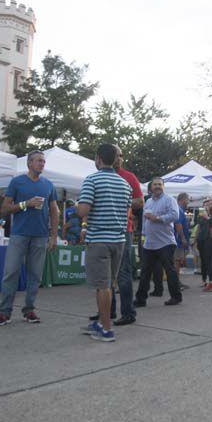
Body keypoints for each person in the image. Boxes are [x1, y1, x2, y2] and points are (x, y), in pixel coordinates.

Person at [0, 150, 59, 327]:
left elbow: (54, 210)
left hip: (40, 235)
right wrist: (25, 204)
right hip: (19, 234)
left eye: (43, 161)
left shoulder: (48, 185)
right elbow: (4, 209)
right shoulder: (17, 182)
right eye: (38, 161)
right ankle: (4, 312)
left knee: (35, 275)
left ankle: (29, 309)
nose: (42, 164)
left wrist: (53, 236)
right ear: (29, 163)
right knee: (11, 272)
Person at [76, 144, 131, 342]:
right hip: (118, 240)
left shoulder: (92, 179)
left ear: (98, 159)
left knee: (103, 286)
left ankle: (106, 329)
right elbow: (126, 214)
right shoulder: (124, 184)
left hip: (99, 239)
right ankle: (100, 323)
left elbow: (83, 211)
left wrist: (78, 205)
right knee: (107, 285)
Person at [88, 145, 145, 327]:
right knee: (105, 277)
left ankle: (128, 312)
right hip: (105, 232)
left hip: (123, 231)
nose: (119, 158)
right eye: (116, 155)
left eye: (121, 155)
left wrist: (121, 203)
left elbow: (140, 201)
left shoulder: (129, 177)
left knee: (123, 273)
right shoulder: (99, 177)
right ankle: (107, 312)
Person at [134, 177, 183, 307]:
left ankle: (176, 297)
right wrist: (144, 236)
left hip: (165, 242)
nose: (157, 186)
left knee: (170, 270)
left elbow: (175, 216)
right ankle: (140, 299)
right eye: (155, 184)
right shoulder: (148, 202)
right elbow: (145, 221)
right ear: (151, 188)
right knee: (145, 272)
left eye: (160, 184)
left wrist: (158, 218)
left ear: (163, 186)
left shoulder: (169, 200)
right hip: (149, 243)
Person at [174, 192, 191, 289]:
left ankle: (177, 282)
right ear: (183, 199)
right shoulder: (179, 210)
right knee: (177, 261)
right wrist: (183, 238)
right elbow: (178, 224)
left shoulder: (179, 209)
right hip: (178, 241)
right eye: (188, 199)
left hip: (178, 240)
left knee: (178, 261)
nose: (188, 202)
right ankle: (176, 283)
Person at [195, 200, 212, 287]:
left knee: (209, 260)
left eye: (208, 205)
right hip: (201, 239)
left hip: (210, 239)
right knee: (203, 260)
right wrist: (195, 238)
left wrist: (208, 216)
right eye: (204, 205)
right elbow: (199, 225)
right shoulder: (200, 215)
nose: (206, 207)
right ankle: (204, 280)